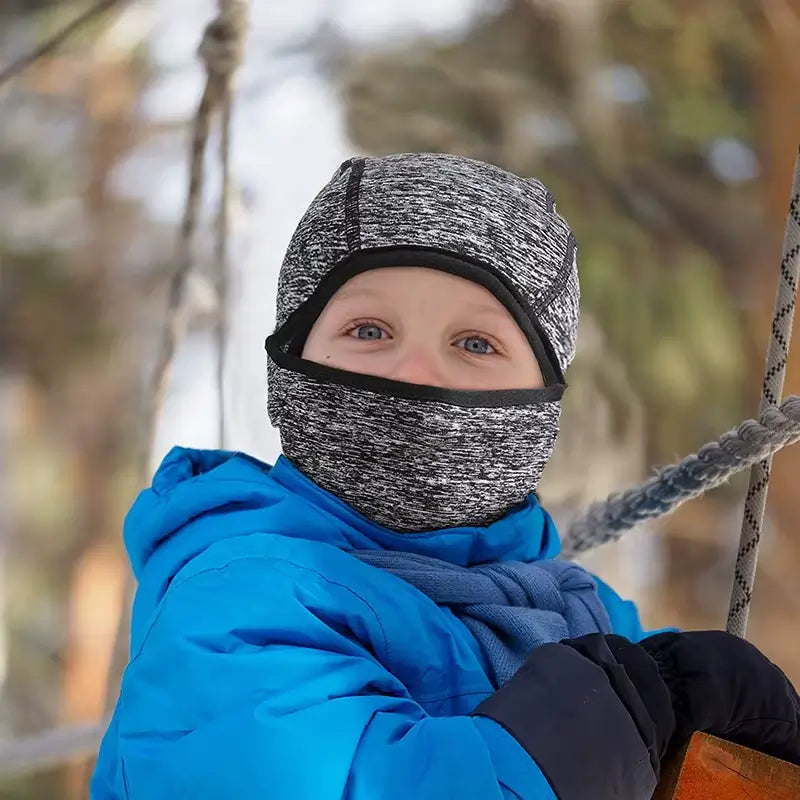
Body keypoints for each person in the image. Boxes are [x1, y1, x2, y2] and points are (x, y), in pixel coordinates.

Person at [91, 153, 800, 799]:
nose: (416, 374)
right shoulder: (238, 604)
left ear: (545, 399)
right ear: (288, 364)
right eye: (370, 331)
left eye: (475, 343)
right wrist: (598, 729)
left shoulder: (593, 620)